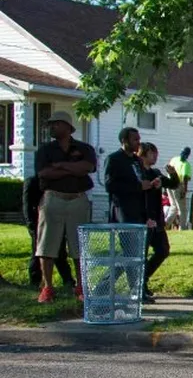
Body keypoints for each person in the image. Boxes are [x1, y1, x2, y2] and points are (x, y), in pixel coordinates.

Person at [33, 111, 96, 303]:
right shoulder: (45, 150)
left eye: (56, 124)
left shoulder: (84, 148)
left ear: (67, 127)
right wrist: (72, 168)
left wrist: (60, 165)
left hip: (78, 199)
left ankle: (81, 286)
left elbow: (88, 167)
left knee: (79, 246)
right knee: (47, 244)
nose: (51, 127)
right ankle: (47, 287)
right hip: (53, 198)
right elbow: (44, 173)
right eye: (50, 125)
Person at [138, 142, 180, 303]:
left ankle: (144, 278)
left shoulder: (155, 173)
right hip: (144, 218)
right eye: (152, 153)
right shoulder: (139, 173)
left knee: (163, 250)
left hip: (157, 219)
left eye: (156, 153)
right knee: (141, 254)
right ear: (143, 154)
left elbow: (173, 184)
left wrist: (173, 174)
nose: (155, 156)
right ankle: (139, 286)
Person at [23, 175, 74, 289]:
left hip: (56, 220)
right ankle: (35, 281)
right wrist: (31, 224)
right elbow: (27, 205)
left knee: (60, 252)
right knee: (38, 252)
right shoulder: (32, 182)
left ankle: (68, 280)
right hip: (38, 222)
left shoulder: (56, 183)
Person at [105, 127, 155, 226]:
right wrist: (138, 187)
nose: (138, 142)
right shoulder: (114, 159)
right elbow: (110, 185)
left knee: (140, 241)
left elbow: (142, 181)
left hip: (139, 211)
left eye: (139, 139)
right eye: (135, 139)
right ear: (124, 141)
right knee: (128, 240)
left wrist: (151, 184)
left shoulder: (137, 160)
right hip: (124, 211)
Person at [167, 147, 192, 230]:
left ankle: (165, 225)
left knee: (174, 206)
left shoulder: (174, 159)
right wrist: (184, 190)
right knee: (182, 209)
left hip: (169, 185)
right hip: (178, 185)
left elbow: (168, 168)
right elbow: (185, 178)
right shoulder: (186, 164)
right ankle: (183, 228)